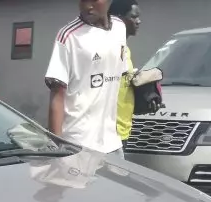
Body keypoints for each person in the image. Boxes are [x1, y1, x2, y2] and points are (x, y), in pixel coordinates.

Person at [45, 0, 128, 156]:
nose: (87, 6)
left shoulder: (119, 28)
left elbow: (117, 78)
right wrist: (57, 148)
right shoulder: (68, 36)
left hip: (112, 144)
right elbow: (57, 93)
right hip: (77, 145)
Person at [109, 0, 142, 148]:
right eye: (133, 17)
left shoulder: (125, 49)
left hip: (124, 129)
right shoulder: (107, 48)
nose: (138, 21)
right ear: (118, 18)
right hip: (110, 132)